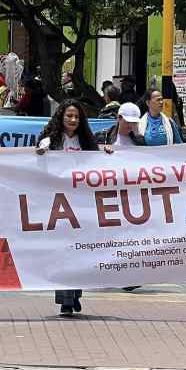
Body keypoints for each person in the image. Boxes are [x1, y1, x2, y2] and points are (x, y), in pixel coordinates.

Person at [35, 100, 112, 316]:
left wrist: (105, 152)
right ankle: (66, 301)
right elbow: (40, 154)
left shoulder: (85, 141)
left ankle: (75, 293)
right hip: (58, 204)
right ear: (61, 117)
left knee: (79, 251)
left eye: (77, 117)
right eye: (69, 116)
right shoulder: (51, 140)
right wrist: (42, 151)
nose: (73, 120)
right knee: (62, 252)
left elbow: (96, 162)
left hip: (81, 204)